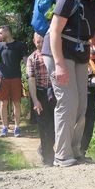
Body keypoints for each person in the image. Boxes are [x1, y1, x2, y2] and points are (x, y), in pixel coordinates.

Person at [42, 0, 95, 167]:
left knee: (82, 103)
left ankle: (75, 151)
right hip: (59, 50)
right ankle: (62, 155)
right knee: (68, 102)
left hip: (80, 51)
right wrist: (60, 64)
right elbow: (54, 31)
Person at [26, 32, 55, 166]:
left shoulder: (55, 54)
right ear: (34, 41)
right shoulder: (32, 58)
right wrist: (35, 100)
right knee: (44, 126)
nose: (40, 44)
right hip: (40, 93)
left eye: (42, 42)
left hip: (54, 92)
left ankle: (44, 150)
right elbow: (31, 80)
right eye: (38, 42)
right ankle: (47, 157)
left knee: (55, 126)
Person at [0, 25, 27, 138]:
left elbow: (25, 59)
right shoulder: (0, 45)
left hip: (16, 78)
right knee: (3, 103)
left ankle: (17, 127)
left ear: (7, 31)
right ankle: (4, 128)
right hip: (3, 78)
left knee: (16, 103)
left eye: (1, 32)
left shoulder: (20, 45)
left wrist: (29, 69)